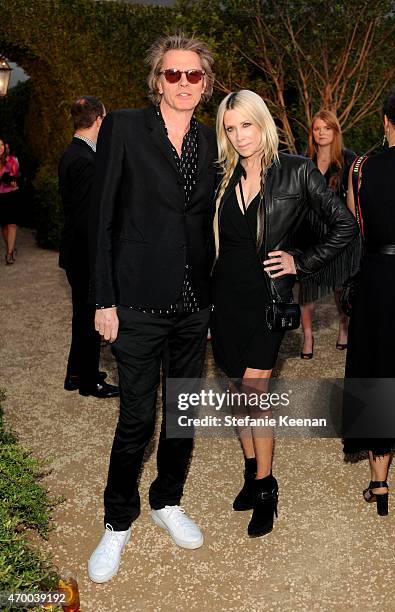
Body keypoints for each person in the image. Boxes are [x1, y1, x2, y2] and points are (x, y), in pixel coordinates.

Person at [87, 34, 217, 583]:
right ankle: (118, 522)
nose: (183, 84)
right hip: (136, 300)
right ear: (156, 79)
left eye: (194, 76)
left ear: (205, 84)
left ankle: (167, 500)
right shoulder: (123, 126)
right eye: (173, 74)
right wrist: (103, 298)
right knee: (137, 417)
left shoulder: (212, 140)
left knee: (182, 414)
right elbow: (101, 219)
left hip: (194, 302)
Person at [211, 90, 359, 538]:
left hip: (268, 300)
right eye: (230, 128)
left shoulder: (295, 171)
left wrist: (301, 262)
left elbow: (345, 226)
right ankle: (249, 468)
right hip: (225, 300)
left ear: (263, 123)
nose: (239, 136)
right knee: (238, 392)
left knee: (256, 394)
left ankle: (266, 489)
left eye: (247, 125)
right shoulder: (222, 175)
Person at [343, 83, 395, 516]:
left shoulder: (362, 168)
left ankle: (380, 484)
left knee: (381, 368)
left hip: (381, 279)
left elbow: (357, 225)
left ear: (385, 121)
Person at [58, 96, 119, 399]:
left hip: (76, 252)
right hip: (85, 254)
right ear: (98, 119)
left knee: (81, 315)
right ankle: (89, 381)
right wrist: (100, 259)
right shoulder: (84, 160)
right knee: (90, 316)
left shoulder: (76, 153)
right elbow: (87, 220)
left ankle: (76, 373)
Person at [299, 111, 356, 358]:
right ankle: (308, 337)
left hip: (337, 231)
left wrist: (353, 230)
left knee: (341, 285)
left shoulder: (348, 159)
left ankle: (344, 327)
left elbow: (352, 198)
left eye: (326, 128)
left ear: (335, 131)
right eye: (316, 128)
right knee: (306, 288)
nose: (321, 133)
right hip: (309, 230)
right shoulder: (304, 160)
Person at [0, 137, 20, 264]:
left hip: (11, 194)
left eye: (1, 144)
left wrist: (12, 181)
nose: (0, 147)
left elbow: (16, 177)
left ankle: (9, 253)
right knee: (4, 226)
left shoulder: (12, 160)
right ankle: (10, 248)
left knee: (12, 224)